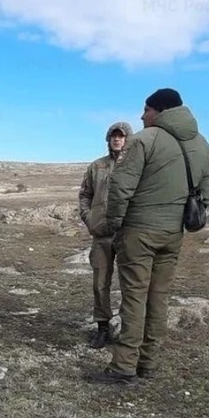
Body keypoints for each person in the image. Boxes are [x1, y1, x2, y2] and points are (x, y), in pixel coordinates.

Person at [91, 88, 209, 384]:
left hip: (138, 233)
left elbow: (121, 187)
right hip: (173, 235)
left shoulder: (145, 139)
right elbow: (206, 192)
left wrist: (115, 224)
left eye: (145, 110)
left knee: (134, 298)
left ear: (159, 111)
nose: (141, 115)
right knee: (159, 298)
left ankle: (123, 367)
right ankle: (149, 363)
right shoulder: (201, 144)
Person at [78, 120, 133, 349]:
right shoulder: (96, 166)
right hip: (101, 233)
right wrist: (89, 218)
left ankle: (129, 330)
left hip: (128, 232)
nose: (117, 139)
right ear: (108, 139)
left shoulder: (136, 166)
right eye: (113, 136)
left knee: (131, 282)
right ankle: (102, 327)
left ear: (128, 140)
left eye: (121, 136)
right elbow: (85, 194)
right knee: (100, 281)